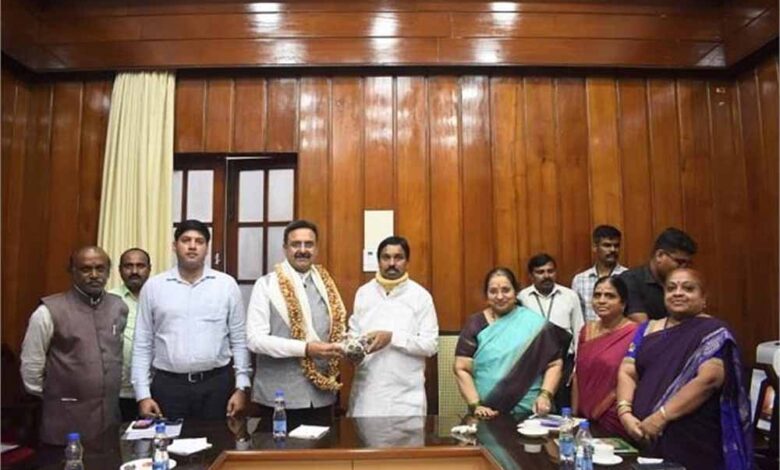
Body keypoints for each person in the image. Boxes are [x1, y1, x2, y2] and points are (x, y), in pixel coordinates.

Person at [616, 269, 752, 470]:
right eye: (671, 288)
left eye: (688, 288)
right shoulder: (646, 329)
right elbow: (627, 371)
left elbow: (708, 380)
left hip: (691, 440)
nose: (678, 293)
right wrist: (625, 413)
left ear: (703, 298)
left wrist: (661, 417)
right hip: (642, 436)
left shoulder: (714, 332)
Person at [132, 219, 251, 420]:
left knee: (218, 439)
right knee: (168, 440)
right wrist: (143, 395)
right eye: (186, 240)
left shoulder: (226, 285)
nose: (192, 246)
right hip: (169, 387)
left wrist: (241, 386)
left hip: (216, 385)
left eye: (199, 241)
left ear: (207, 248)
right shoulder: (154, 287)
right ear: (174, 246)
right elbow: (142, 343)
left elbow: (239, 340)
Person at [20, 246, 127, 445]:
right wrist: (60, 395)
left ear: (108, 271)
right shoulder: (48, 312)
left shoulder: (118, 307)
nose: (94, 275)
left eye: (100, 268)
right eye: (86, 269)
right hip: (65, 419)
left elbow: (117, 354)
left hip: (109, 418)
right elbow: (31, 368)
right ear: (72, 271)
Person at [246, 219, 346, 429]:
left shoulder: (327, 286)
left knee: (321, 450)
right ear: (285, 248)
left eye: (308, 244)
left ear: (316, 248)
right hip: (279, 397)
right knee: (277, 450)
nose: (302, 250)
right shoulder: (266, 285)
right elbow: (255, 340)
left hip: (321, 396)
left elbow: (337, 332)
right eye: (295, 244)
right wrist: (305, 349)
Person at [454, 267, 570, 420]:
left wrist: (545, 395)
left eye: (506, 290)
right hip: (486, 413)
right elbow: (461, 368)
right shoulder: (475, 324)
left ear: (516, 292)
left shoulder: (535, 324)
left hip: (530, 414)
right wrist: (476, 405)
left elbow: (554, 364)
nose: (500, 296)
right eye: (493, 291)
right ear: (486, 295)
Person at [347, 236, 439, 417]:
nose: (391, 263)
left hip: (406, 399)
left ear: (407, 262)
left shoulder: (421, 296)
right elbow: (353, 336)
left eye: (398, 257)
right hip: (367, 396)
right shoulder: (364, 293)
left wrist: (392, 338)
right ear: (378, 261)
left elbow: (431, 345)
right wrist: (351, 349)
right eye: (386, 257)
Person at [571, 276, 637, 438]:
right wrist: (574, 415)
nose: (601, 300)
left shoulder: (636, 333)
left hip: (615, 416)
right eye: (597, 295)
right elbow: (578, 374)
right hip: (584, 417)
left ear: (623, 303)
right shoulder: (586, 331)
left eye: (610, 296)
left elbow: (635, 377)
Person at [517, 253, 584, 407]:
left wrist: (576, 368)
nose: (546, 276)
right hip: (532, 363)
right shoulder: (522, 298)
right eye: (540, 272)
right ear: (531, 275)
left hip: (565, 362)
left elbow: (579, 331)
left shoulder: (570, 296)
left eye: (550, 271)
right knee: (536, 407)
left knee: (563, 409)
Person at [619, 227, 697, 322]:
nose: (683, 268)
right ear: (659, 255)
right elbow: (643, 325)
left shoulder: (684, 283)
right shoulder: (630, 280)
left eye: (688, 263)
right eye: (679, 262)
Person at [109, 247, 151, 421]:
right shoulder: (108, 300)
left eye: (140, 266)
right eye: (128, 266)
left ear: (149, 269)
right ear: (119, 270)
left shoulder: (159, 298)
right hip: (118, 391)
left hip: (153, 389)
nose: (134, 271)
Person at [571, 225, 628, 321]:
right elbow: (576, 316)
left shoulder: (628, 277)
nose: (613, 250)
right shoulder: (579, 280)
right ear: (594, 247)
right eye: (607, 245)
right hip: (589, 330)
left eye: (616, 246)